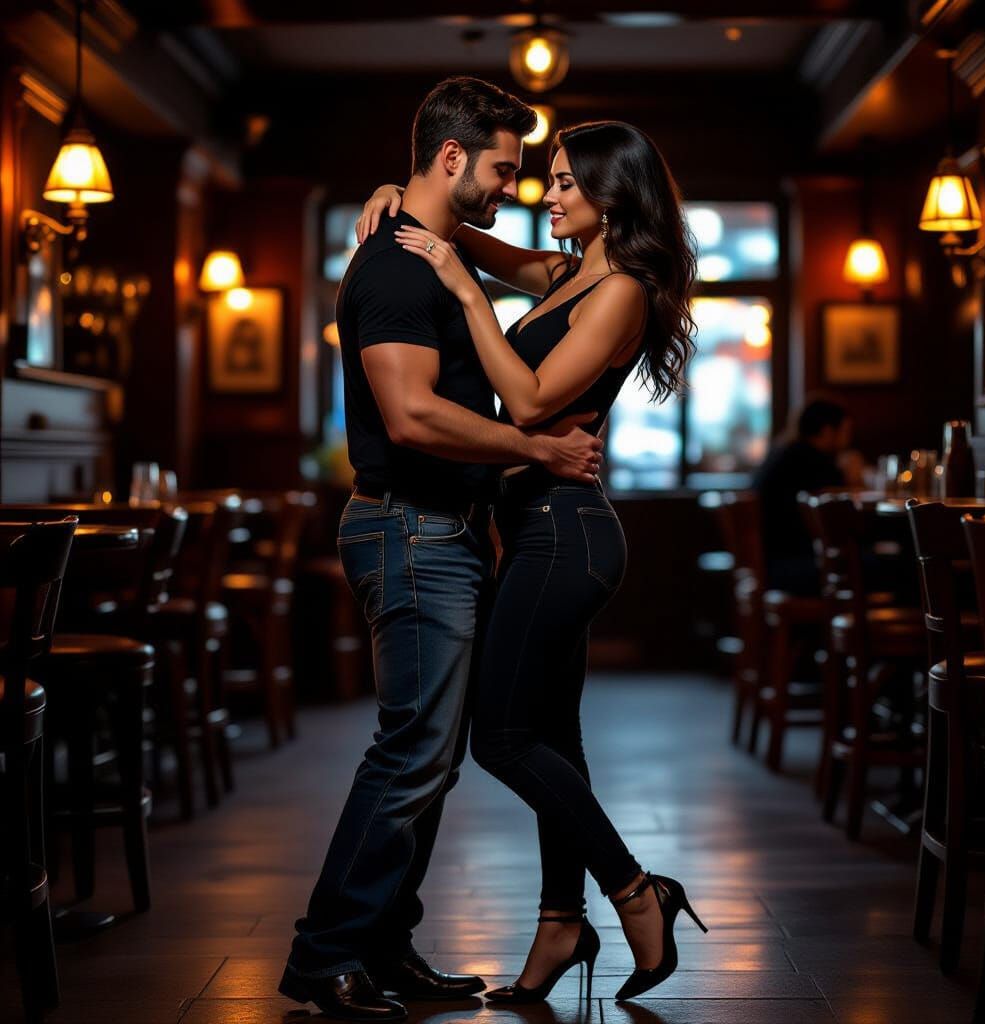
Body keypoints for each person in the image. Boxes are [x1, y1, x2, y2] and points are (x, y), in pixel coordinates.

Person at [357, 119, 707, 1003]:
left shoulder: (620, 290)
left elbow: (531, 400)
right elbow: (462, 231)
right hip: (533, 528)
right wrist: (397, 198)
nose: (544, 197)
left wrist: (468, 300)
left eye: (561, 183)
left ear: (609, 195)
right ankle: (559, 924)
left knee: (502, 739)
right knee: (554, 738)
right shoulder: (562, 276)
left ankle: (636, 891)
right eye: (542, 180)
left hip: (568, 534)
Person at [279, 77, 605, 1023]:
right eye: (505, 169)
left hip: (445, 532)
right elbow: (412, 416)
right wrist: (534, 446)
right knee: (412, 753)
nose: (514, 187)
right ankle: (325, 955)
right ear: (454, 158)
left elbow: (550, 274)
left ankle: (382, 943)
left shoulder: (438, 249)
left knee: (429, 756)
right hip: (409, 531)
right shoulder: (392, 269)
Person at [751, 396, 856, 595]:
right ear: (827, 431)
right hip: (795, 566)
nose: (848, 440)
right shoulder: (817, 464)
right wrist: (848, 477)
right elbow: (842, 520)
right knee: (886, 567)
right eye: (846, 431)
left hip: (772, 564)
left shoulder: (784, 454)